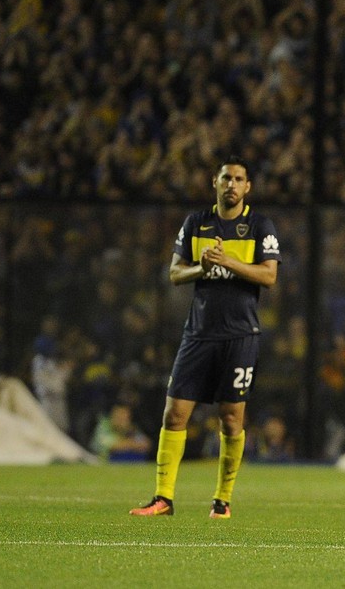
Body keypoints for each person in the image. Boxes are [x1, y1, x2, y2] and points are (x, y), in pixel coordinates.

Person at [131, 157, 281, 519]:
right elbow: (174, 273)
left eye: (239, 179)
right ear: (215, 182)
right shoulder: (196, 223)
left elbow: (269, 276)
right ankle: (163, 498)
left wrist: (228, 262)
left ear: (248, 187)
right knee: (174, 414)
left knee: (231, 419)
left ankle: (222, 501)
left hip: (241, 335)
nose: (232, 184)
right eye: (226, 178)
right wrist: (203, 266)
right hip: (198, 334)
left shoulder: (260, 226)